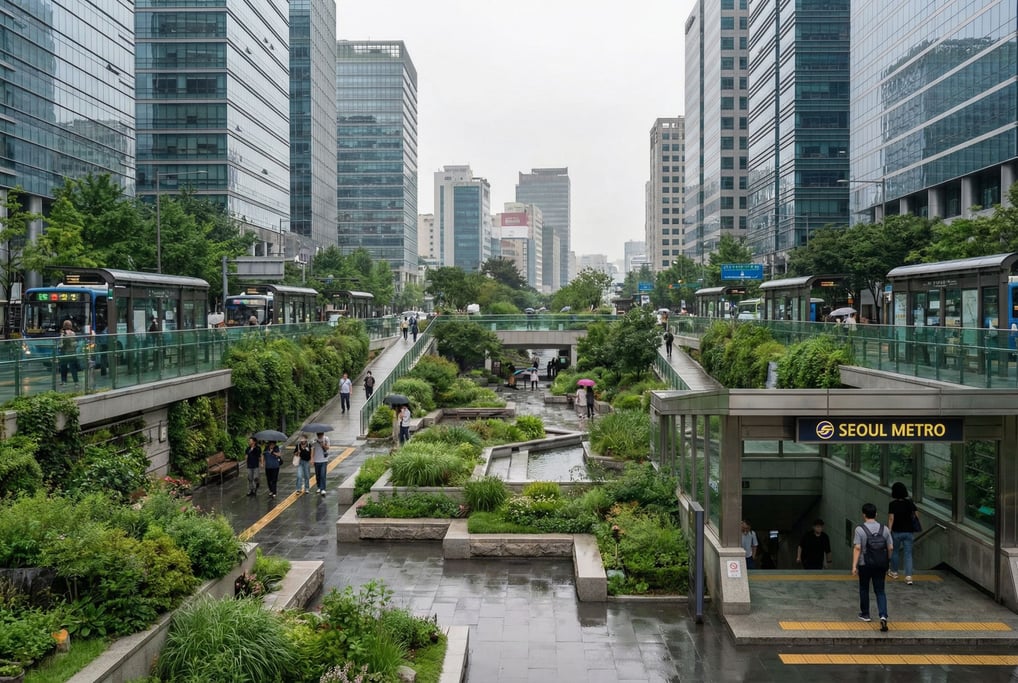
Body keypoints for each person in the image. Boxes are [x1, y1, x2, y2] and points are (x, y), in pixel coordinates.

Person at [852, 502, 893, 631]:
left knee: (864, 588)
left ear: (864, 515)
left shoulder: (859, 529)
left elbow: (857, 548)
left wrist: (854, 566)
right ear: (876, 514)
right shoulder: (884, 529)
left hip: (865, 564)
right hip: (881, 564)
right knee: (880, 591)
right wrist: (887, 560)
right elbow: (890, 547)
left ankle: (865, 614)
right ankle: (883, 616)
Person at [887, 481, 918, 584]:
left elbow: (891, 518)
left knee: (895, 551)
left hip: (897, 531)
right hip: (909, 532)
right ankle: (908, 577)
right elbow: (916, 515)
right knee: (908, 554)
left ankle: (894, 572)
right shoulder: (910, 503)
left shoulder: (893, 504)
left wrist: (889, 530)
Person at [58, 320, 79, 386]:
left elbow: (61, 344)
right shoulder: (73, 333)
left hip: (64, 353)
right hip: (72, 353)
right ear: (70, 326)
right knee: (73, 368)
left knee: (63, 367)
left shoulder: (63, 334)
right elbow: (75, 343)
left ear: (64, 326)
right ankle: (76, 382)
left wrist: (60, 346)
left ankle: (64, 381)